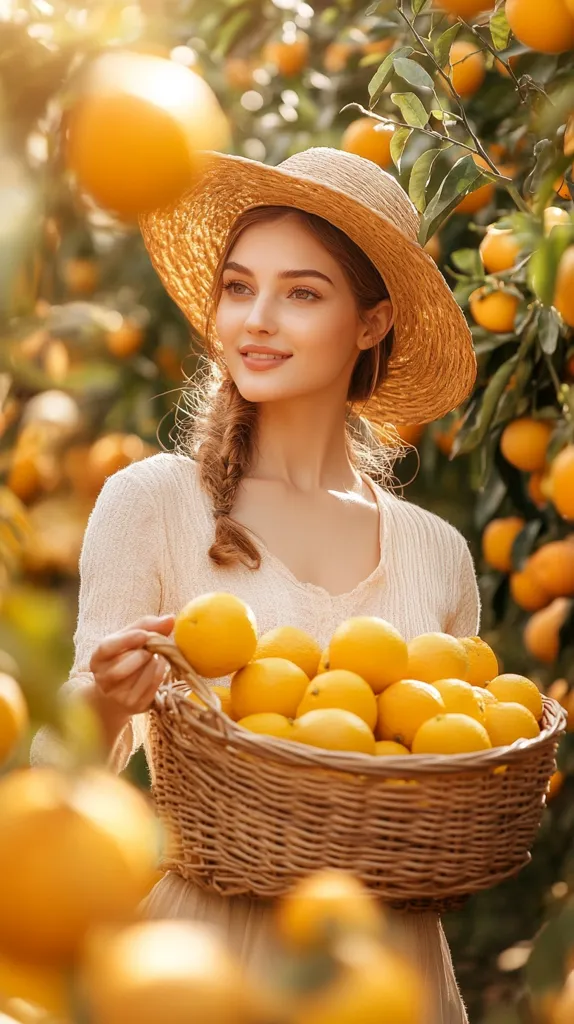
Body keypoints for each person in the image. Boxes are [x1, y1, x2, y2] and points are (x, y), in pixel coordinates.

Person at [31, 147, 480, 1023]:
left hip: (389, 978)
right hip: (203, 976)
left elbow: (448, 785)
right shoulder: (154, 502)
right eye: (239, 288)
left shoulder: (437, 553)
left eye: (302, 293)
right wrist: (109, 703)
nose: (256, 321)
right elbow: (60, 784)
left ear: (371, 322)